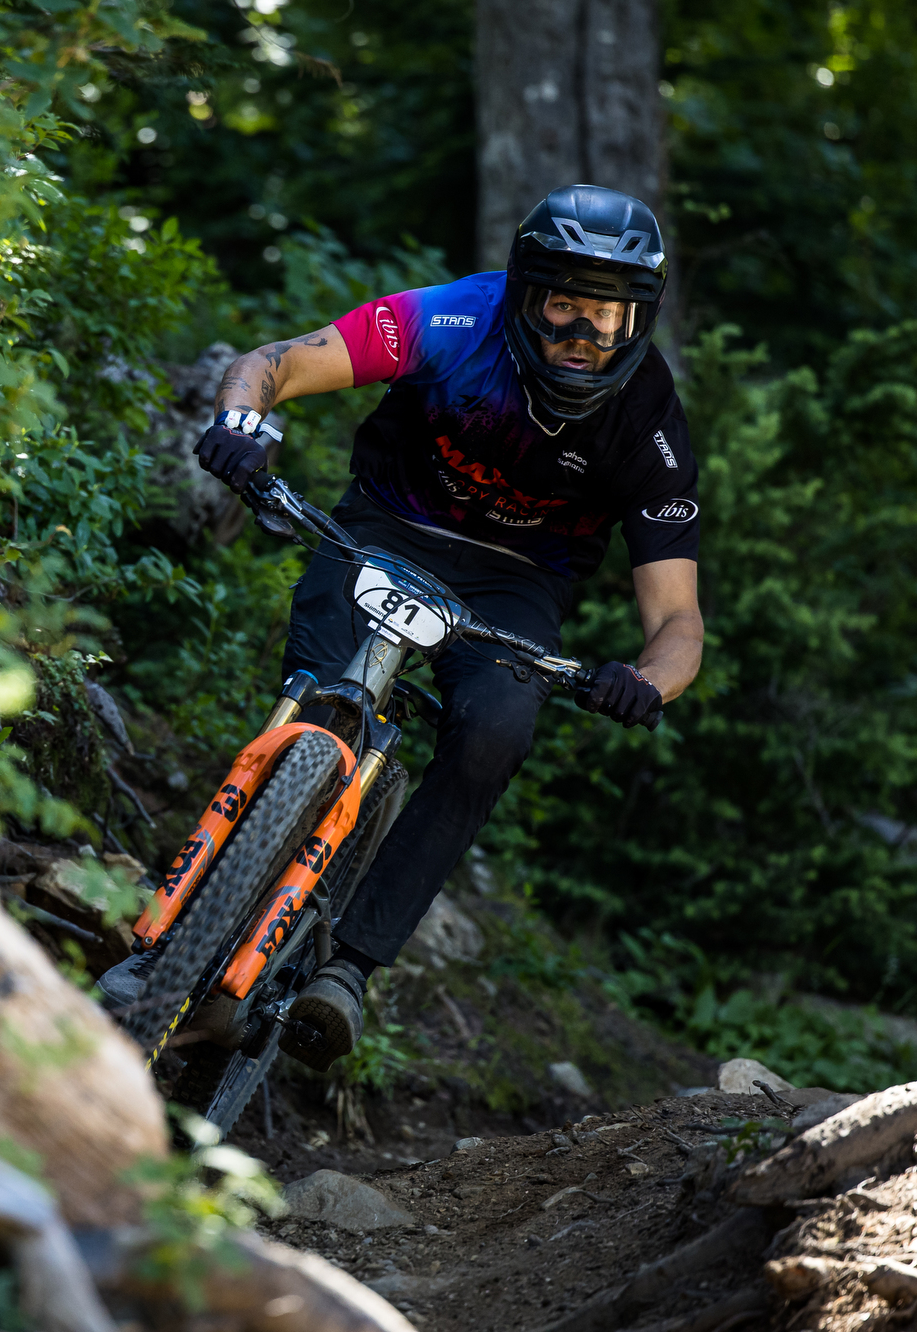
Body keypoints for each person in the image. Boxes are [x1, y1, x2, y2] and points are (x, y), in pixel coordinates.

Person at [192, 184, 704, 1067]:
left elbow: (680, 622)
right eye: (562, 306)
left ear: (640, 319)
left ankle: (347, 967)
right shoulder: (453, 321)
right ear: (521, 291)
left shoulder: (649, 422)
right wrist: (242, 421)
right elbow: (274, 362)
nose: (582, 335)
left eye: (608, 316)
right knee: (318, 708)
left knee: (493, 735)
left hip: (514, 586)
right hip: (382, 530)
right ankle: (213, 910)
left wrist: (644, 680)